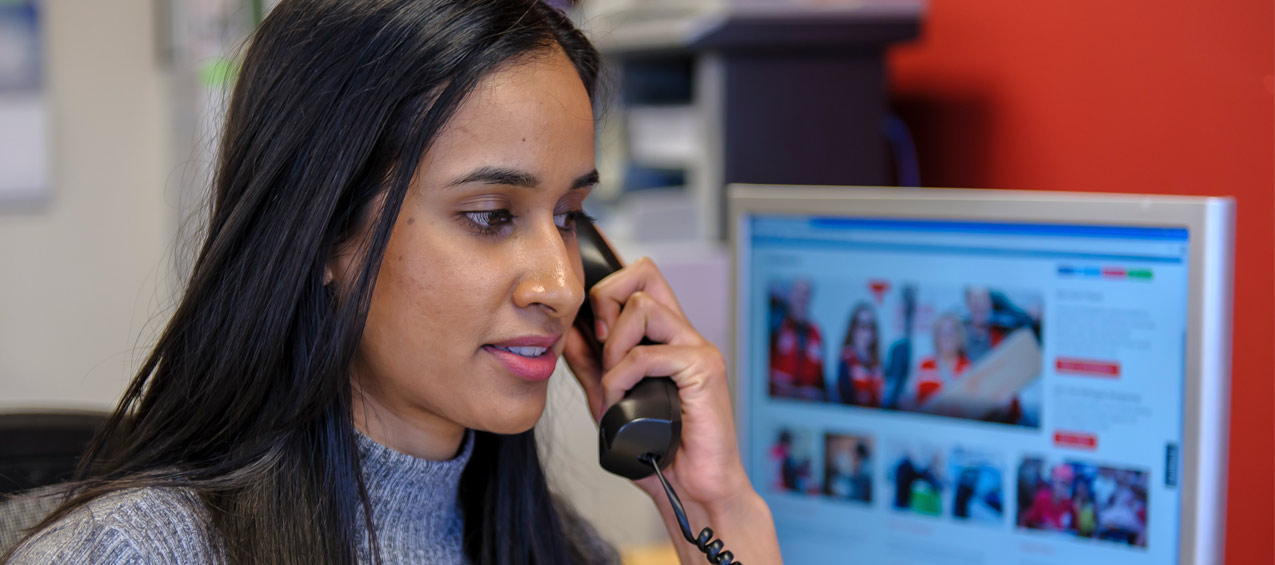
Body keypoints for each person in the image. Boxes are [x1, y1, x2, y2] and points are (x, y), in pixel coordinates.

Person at [3, 1, 782, 564]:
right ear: (322, 232)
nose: (560, 283)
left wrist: (714, 508)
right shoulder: (132, 553)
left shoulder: (559, 545)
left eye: (570, 215)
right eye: (489, 214)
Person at [768, 279, 827, 401]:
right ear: (789, 295)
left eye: (806, 294)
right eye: (798, 293)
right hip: (777, 400)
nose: (801, 299)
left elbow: (820, 382)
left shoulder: (815, 333)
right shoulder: (776, 324)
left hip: (806, 404)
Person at [906, 312, 971, 409]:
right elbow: (907, 399)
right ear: (936, 337)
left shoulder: (967, 367)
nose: (947, 337)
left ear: (959, 337)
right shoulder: (923, 365)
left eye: (952, 332)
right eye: (943, 332)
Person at [835, 302, 884, 407]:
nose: (866, 332)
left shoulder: (877, 363)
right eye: (862, 325)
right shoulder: (846, 359)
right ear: (853, 328)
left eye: (871, 326)